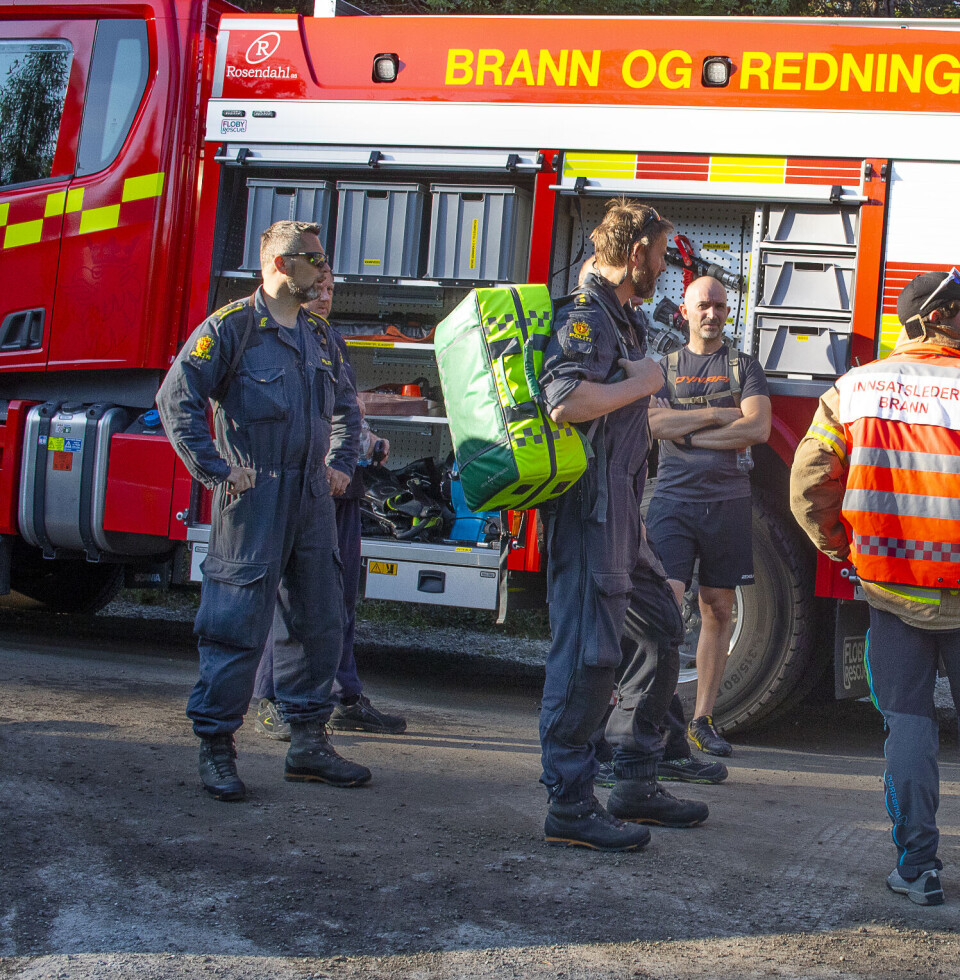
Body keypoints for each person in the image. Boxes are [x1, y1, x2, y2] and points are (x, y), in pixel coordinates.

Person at [157, 219, 370, 801]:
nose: (326, 272)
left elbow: (348, 410)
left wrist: (340, 465)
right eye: (314, 260)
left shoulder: (320, 337)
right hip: (254, 500)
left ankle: (308, 743)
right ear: (279, 264)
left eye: (325, 260)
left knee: (320, 621)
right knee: (236, 625)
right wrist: (217, 470)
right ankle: (217, 748)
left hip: (309, 500)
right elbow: (176, 397)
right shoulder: (231, 329)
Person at [538, 199, 709, 853]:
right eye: (663, 256)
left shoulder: (624, 320)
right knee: (588, 657)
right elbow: (566, 400)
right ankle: (570, 805)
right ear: (636, 253)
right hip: (588, 514)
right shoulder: (585, 315)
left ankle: (636, 779)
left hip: (620, 513)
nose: (665, 270)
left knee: (662, 627)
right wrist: (646, 383)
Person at [790, 269, 960, 907]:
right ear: (938, 318)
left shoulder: (855, 390)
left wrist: (845, 549)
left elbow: (808, 488)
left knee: (910, 729)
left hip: (892, 595)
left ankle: (918, 867)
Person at [253, 266, 407, 740]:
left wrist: (368, 441)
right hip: (299, 489)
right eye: (317, 289)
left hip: (340, 490)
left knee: (337, 602)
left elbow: (341, 411)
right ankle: (270, 699)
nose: (324, 297)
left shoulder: (328, 341)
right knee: (290, 600)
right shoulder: (273, 337)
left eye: (331, 290)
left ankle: (342, 694)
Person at [646, 276, 771, 757]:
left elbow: (756, 427)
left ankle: (702, 720)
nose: (712, 314)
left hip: (728, 503)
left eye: (720, 305)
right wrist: (719, 415)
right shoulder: (665, 367)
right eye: (703, 305)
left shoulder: (744, 366)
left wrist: (689, 434)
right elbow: (655, 423)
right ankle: (652, 719)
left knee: (718, 608)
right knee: (663, 610)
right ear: (684, 310)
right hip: (673, 503)